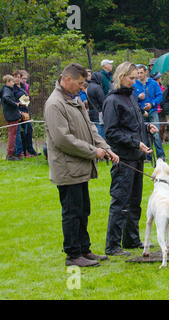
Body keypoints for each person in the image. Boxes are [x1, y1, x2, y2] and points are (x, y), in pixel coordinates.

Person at [43, 63, 119, 267]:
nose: (81, 87)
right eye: (79, 83)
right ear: (67, 80)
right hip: (67, 169)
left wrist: (106, 148)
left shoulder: (74, 99)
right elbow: (63, 140)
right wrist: (93, 152)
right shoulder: (55, 104)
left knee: (83, 209)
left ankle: (84, 249)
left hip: (79, 167)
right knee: (72, 211)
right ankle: (73, 255)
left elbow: (91, 129)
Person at [102, 62, 158, 256]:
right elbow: (111, 132)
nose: (135, 81)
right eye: (131, 78)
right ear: (121, 77)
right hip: (123, 157)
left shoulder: (131, 95)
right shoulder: (113, 101)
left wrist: (146, 129)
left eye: (136, 78)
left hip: (137, 156)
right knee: (120, 201)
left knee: (135, 201)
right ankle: (112, 245)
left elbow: (134, 123)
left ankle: (131, 239)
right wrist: (134, 143)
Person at [134, 64, 165, 161]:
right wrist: (138, 98)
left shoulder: (153, 83)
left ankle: (160, 155)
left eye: (141, 73)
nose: (139, 75)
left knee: (156, 133)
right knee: (143, 135)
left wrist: (152, 104)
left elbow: (160, 96)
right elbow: (131, 99)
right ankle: (147, 156)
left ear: (146, 72)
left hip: (152, 111)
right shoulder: (134, 85)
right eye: (138, 73)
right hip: (141, 113)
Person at [12, 70, 38, 158]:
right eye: (15, 77)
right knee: (20, 133)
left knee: (28, 131)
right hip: (18, 111)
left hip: (25, 110)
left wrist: (27, 97)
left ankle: (30, 150)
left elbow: (27, 95)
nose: (17, 79)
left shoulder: (23, 86)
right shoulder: (13, 88)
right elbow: (13, 100)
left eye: (18, 77)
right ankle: (22, 152)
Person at [1, 75, 22, 161]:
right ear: (7, 82)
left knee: (13, 134)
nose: (14, 83)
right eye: (12, 81)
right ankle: (10, 154)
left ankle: (11, 153)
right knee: (12, 135)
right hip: (11, 116)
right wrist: (15, 104)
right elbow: (6, 98)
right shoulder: (6, 90)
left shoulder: (6, 89)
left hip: (11, 114)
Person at [86, 71, 106, 138]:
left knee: (95, 133)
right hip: (98, 114)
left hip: (92, 113)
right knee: (101, 135)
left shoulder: (88, 87)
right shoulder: (97, 88)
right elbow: (103, 101)